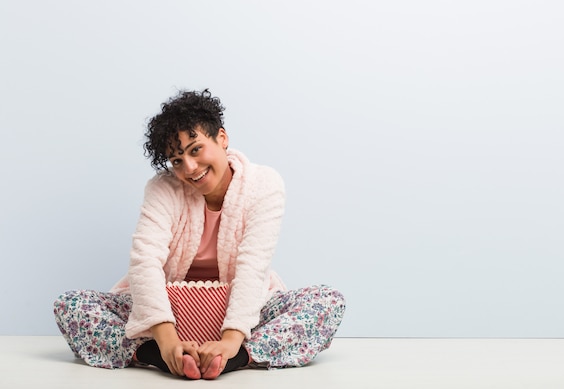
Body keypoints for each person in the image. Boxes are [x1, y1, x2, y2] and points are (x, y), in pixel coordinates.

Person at [53, 89, 346, 380]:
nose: (190, 168)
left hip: (240, 310)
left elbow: (253, 265)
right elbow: (145, 262)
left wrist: (232, 340)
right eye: (176, 160)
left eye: (195, 149)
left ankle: (233, 358)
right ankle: (161, 355)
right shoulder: (163, 188)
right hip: (168, 314)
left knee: (327, 301)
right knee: (71, 305)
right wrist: (166, 338)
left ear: (222, 138)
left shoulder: (264, 184)